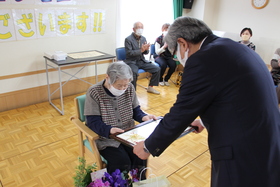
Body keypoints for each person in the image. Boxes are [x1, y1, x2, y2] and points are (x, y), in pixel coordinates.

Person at [133, 17, 280, 187]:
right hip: (266, 140)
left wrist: (148, 147)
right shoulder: (232, 47)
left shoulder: (202, 59)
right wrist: (203, 119)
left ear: (182, 43)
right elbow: (234, 95)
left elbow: (181, 112)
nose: (177, 58)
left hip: (242, 151)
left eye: (175, 53)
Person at [84, 61, 157, 176]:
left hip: (129, 133)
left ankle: (139, 183)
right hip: (106, 138)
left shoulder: (129, 88)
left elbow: (135, 110)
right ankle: (116, 183)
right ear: (107, 78)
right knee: (122, 162)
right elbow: (93, 122)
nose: (123, 88)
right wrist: (109, 130)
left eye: (126, 84)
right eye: (119, 85)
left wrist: (144, 117)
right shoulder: (94, 92)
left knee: (141, 154)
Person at [124, 21, 161, 94]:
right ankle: (132, 93)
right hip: (132, 61)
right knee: (133, 73)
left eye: (141, 27)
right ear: (133, 29)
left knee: (157, 69)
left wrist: (146, 49)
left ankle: (150, 87)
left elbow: (146, 53)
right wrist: (141, 50)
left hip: (141, 60)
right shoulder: (128, 39)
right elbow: (129, 53)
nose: (140, 29)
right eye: (138, 27)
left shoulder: (143, 38)